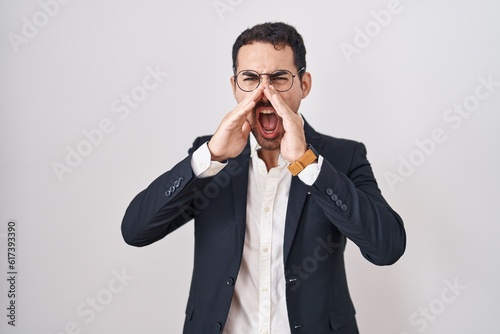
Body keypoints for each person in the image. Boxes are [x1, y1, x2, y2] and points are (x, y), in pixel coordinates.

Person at [121, 22, 406, 334]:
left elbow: (386, 248)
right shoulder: (210, 157)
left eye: (279, 78)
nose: (264, 94)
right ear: (234, 86)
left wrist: (307, 164)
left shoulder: (343, 157)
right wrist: (211, 157)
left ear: (305, 84)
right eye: (251, 79)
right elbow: (136, 231)